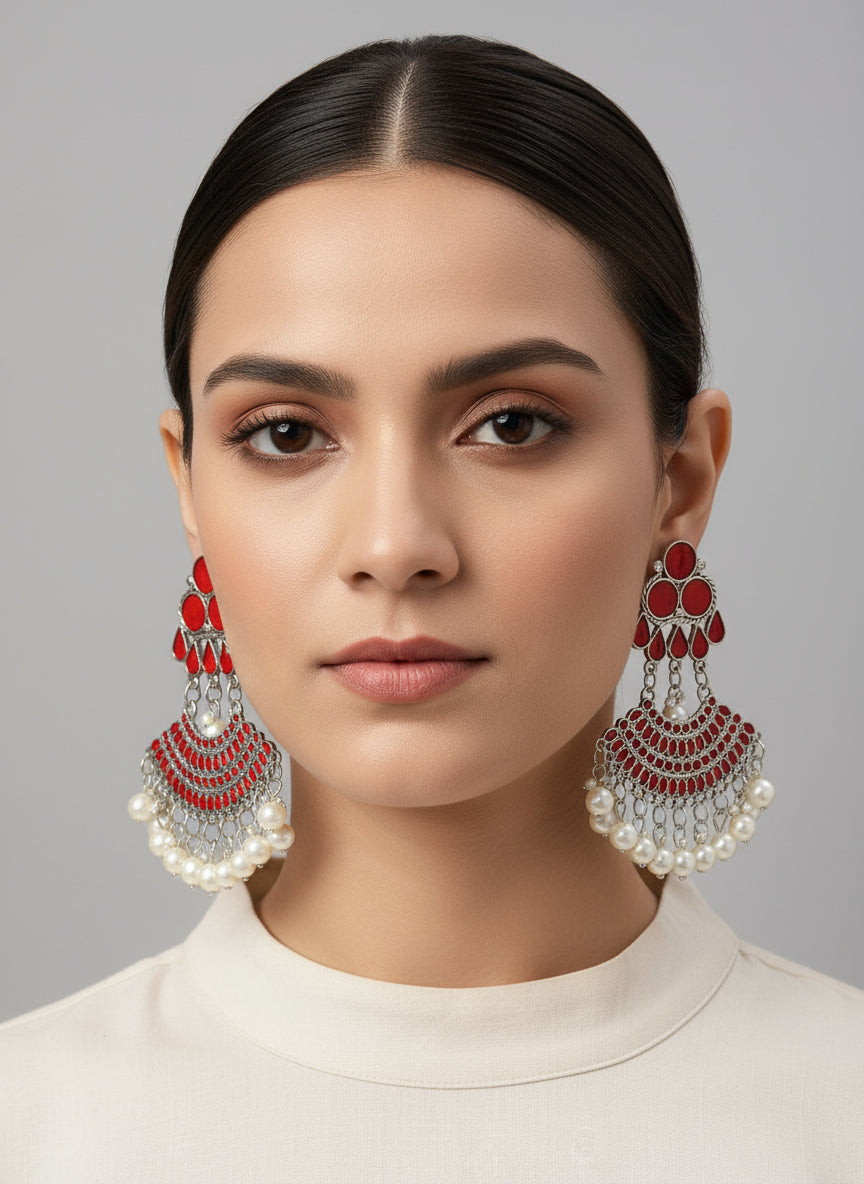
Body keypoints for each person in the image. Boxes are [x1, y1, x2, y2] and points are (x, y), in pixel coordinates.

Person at [1, 32, 862, 1182]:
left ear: (681, 478)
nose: (395, 545)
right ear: (190, 485)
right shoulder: (36, 1123)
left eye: (511, 422)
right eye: (287, 434)